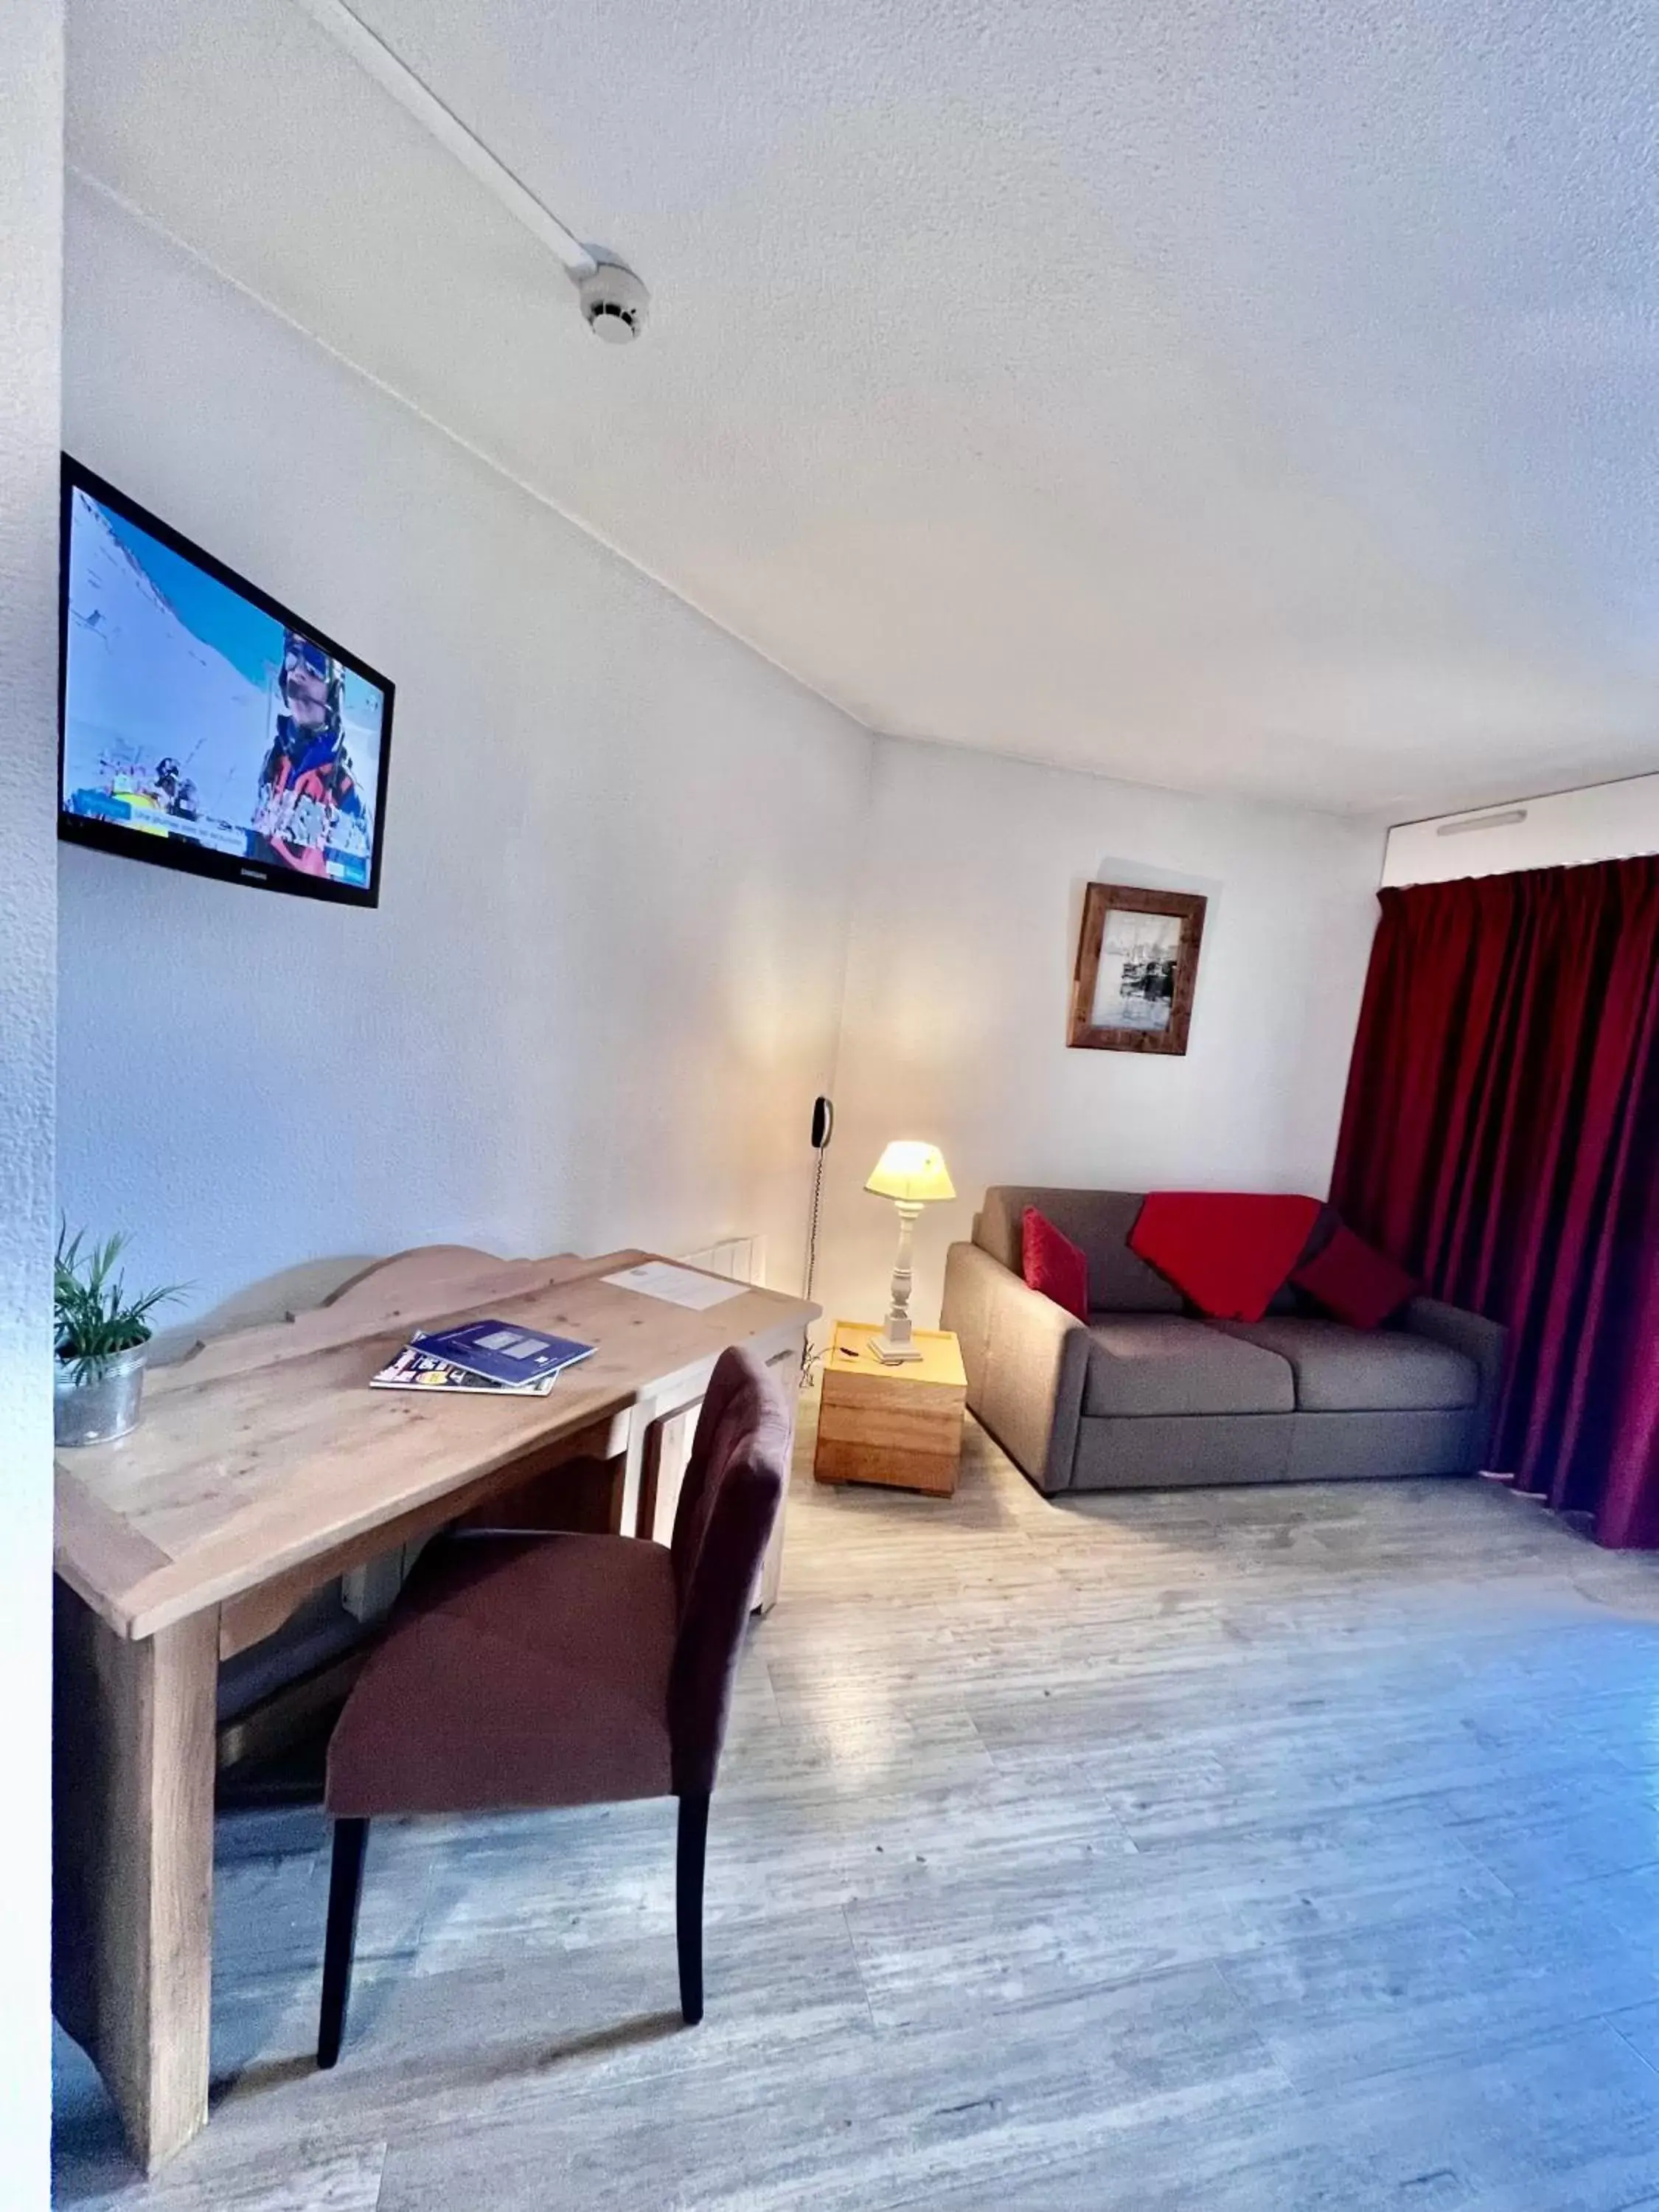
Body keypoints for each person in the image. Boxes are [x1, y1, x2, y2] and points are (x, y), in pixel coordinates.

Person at [248, 633, 366, 874]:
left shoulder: (345, 791)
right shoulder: (274, 761)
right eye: (292, 659)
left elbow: (351, 879)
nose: (298, 672)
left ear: (334, 691)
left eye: (314, 664)